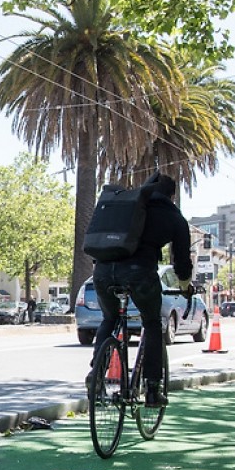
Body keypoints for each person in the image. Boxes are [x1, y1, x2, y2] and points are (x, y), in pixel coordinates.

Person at [89, 172, 193, 407]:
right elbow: (182, 264)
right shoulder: (174, 217)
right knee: (152, 324)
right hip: (140, 273)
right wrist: (185, 286)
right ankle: (153, 389)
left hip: (103, 271)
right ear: (172, 195)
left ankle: (96, 374)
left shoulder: (128, 205)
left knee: (109, 318)